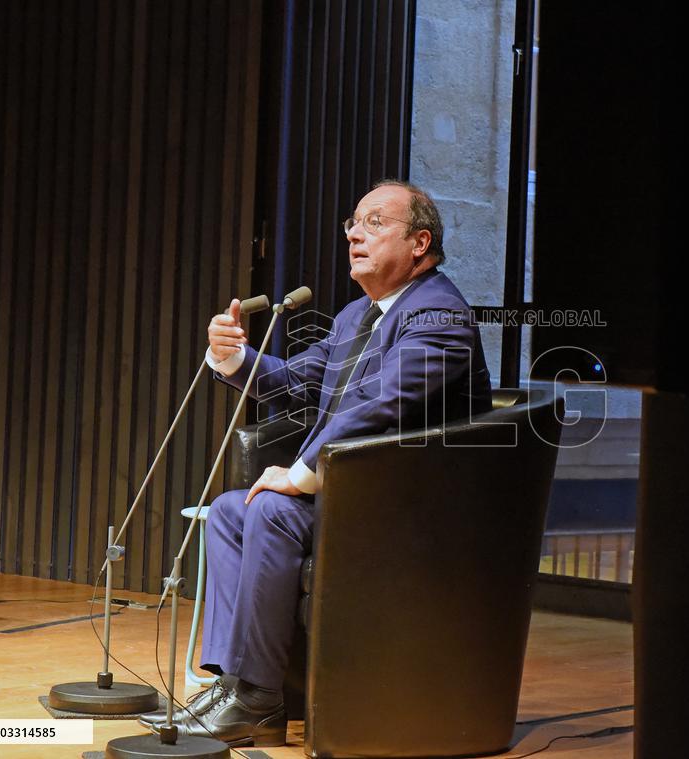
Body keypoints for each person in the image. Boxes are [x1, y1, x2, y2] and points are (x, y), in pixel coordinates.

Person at [142, 179, 492, 747]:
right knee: (234, 509)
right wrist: (232, 357)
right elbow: (299, 384)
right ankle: (240, 688)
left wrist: (301, 475)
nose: (355, 233)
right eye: (353, 223)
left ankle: (256, 695)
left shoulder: (440, 317)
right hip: (353, 501)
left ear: (420, 243)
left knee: (274, 509)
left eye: (375, 223)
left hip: (410, 515)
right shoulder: (358, 315)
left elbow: (386, 408)